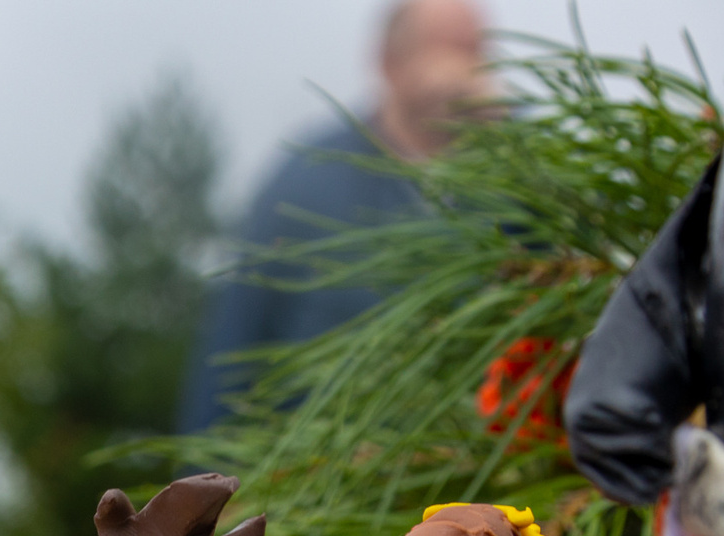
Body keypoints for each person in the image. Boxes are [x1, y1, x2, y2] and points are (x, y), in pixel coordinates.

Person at [178, 0, 492, 432]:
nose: (461, 71)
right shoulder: (304, 182)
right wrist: (202, 490)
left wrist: (510, 140)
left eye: (474, 51)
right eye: (441, 49)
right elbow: (232, 351)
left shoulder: (513, 190)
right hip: (316, 479)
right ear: (388, 62)